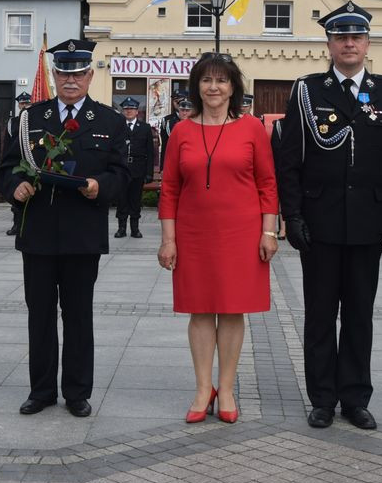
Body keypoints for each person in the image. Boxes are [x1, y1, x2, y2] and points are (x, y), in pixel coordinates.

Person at [277, 1, 382, 430]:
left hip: (369, 223)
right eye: (341, 37)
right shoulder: (306, 90)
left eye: (356, 37)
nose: (349, 44)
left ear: (368, 44)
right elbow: (289, 160)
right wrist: (292, 215)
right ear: (330, 44)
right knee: (319, 314)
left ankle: (355, 397)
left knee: (359, 314)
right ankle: (322, 397)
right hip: (319, 222)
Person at [0, 38, 129, 418]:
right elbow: (6, 167)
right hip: (37, 231)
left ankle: (76, 392)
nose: (70, 81)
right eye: (63, 74)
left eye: (78, 74)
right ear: (54, 76)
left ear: (90, 76)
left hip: (82, 233)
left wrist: (99, 186)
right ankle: (40, 391)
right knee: (39, 314)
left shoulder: (110, 121)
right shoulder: (29, 119)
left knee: (78, 315)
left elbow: (122, 173)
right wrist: (14, 188)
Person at [158, 53, 278, 424]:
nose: (214, 87)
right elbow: (169, 189)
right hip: (193, 233)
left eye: (221, 81)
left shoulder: (252, 128)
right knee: (199, 309)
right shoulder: (181, 131)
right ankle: (202, 387)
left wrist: (269, 231)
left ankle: (225, 388)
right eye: (207, 80)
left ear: (233, 87)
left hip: (241, 233)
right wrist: (168, 239)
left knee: (231, 308)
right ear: (196, 86)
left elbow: (267, 183)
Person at [115, 97, 154, 239]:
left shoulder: (145, 128)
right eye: (126, 109)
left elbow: (150, 152)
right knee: (122, 199)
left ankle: (135, 229)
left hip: (138, 169)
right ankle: (121, 228)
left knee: (135, 200)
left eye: (131, 109)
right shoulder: (117, 127)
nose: (129, 111)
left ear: (137, 111)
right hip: (122, 169)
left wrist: (149, 173)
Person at [4, 92, 34, 235]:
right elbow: (8, 143)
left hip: (31, 161)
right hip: (17, 161)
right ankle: (16, 225)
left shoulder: (34, 119)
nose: (24, 106)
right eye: (22, 104)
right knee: (17, 192)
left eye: (27, 103)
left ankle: (27, 224)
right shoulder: (13, 122)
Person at [159, 89, 188, 170]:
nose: (178, 103)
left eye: (181, 100)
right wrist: (162, 168)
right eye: (175, 101)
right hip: (173, 162)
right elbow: (165, 146)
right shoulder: (167, 120)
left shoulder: (195, 118)